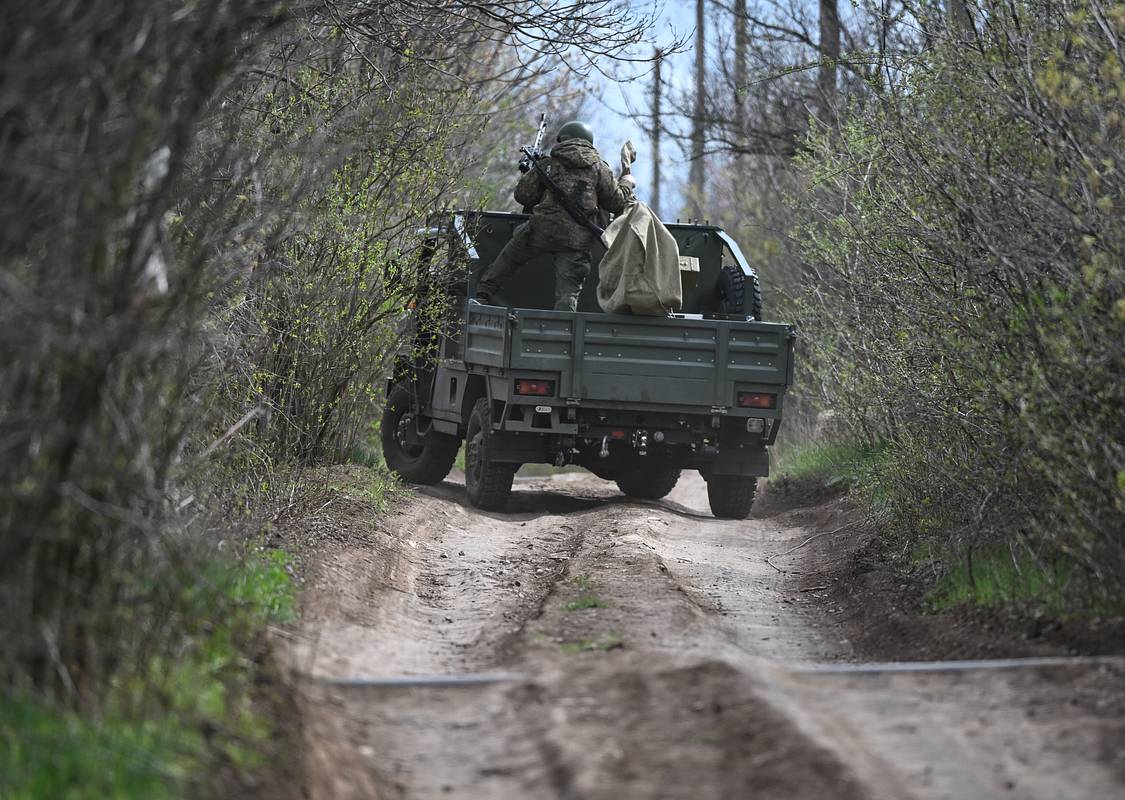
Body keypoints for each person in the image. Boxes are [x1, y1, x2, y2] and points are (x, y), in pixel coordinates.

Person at [476, 121, 636, 312]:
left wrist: (530, 173)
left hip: (541, 230)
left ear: (563, 139)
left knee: (509, 257)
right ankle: (563, 329)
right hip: (576, 240)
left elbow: (523, 196)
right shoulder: (600, 168)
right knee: (568, 294)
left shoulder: (548, 164)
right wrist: (626, 183)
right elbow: (616, 203)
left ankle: (482, 294)